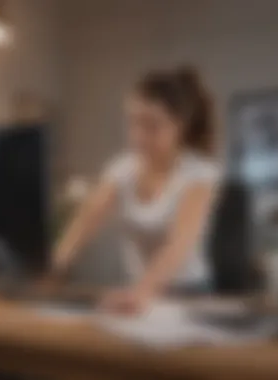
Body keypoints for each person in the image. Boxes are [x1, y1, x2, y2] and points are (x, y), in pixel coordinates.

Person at [53, 66, 221, 314]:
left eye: (152, 126)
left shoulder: (199, 174)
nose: (139, 136)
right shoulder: (121, 170)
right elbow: (86, 220)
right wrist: (55, 266)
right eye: (133, 122)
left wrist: (141, 293)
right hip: (138, 289)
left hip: (189, 293)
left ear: (180, 126)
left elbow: (178, 246)